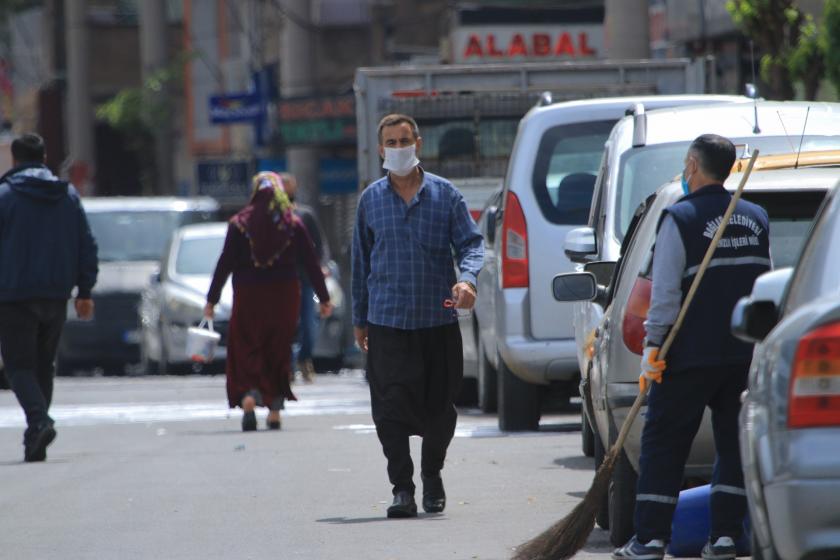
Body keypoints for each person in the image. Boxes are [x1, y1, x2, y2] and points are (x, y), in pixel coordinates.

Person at [613, 135, 772, 560]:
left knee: (663, 444)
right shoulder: (756, 218)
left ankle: (649, 539)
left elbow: (664, 296)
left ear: (692, 165)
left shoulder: (679, 218)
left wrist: (652, 348)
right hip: (742, 355)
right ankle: (724, 536)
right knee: (734, 445)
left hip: (687, 357)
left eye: (687, 166)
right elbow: (763, 287)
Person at [352, 113, 484, 518]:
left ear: (418, 144)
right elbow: (360, 262)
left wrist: (468, 281)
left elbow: (471, 244)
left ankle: (432, 474)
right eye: (390, 142)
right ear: (380, 150)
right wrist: (359, 320)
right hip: (387, 323)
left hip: (438, 322)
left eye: (404, 140)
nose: (398, 148)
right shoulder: (370, 200)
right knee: (389, 409)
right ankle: (402, 489)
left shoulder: (446, 195)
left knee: (440, 410)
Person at [204, 172, 332, 432]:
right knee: (278, 347)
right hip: (284, 296)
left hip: (249, 295)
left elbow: (224, 264)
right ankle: (274, 409)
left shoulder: (239, 224)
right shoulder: (292, 223)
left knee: (247, 345)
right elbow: (311, 262)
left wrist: (212, 299)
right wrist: (324, 297)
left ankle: (249, 397)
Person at [0, 133, 98, 462]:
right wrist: (84, 290)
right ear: (44, 158)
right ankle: (34, 437)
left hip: (13, 295)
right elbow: (87, 244)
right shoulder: (66, 194)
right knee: (44, 365)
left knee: (17, 366)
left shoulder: (4, 197)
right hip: (56, 295)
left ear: (14, 160)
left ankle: (39, 420)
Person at [278, 172, 328, 384]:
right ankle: (287, 365)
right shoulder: (273, 217)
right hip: (282, 281)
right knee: (285, 325)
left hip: (305, 280)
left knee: (309, 324)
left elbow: (319, 247)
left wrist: (322, 268)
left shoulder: (304, 216)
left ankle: (304, 357)